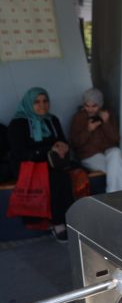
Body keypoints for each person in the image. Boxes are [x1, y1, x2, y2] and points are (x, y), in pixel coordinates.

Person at [8, 87, 75, 241]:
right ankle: (58, 223)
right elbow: (20, 152)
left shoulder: (52, 120)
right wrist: (48, 150)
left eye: (45, 101)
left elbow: (62, 140)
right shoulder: (18, 124)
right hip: (28, 165)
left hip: (51, 163)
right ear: (28, 104)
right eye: (36, 102)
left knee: (69, 175)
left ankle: (69, 220)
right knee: (55, 179)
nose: (42, 105)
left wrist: (63, 146)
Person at [70, 88, 122, 192]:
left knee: (116, 153)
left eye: (94, 106)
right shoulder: (78, 117)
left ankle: (113, 197)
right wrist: (89, 130)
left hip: (108, 152)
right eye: (86, 105)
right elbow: (75, 143)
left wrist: (106, 122)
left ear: (100, 105)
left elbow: (116, 139)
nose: (90, 109)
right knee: (119, 169)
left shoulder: (107, 115)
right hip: (89, 155)